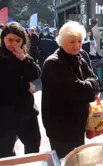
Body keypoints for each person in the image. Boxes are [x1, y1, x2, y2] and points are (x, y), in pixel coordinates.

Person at [41, 21, 99, 158]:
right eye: (72, 42)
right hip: (60, 127)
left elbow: (96, 82)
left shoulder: (80, 56)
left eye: (79, 41)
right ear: (61, 42)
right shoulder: (53, 63)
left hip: (79, 124)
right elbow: (79, 90)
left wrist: (90, 85)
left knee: (79, 158)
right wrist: (91, 85)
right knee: (65, 160)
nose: (77, 45)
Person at [0, 22, 41, 157]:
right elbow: (5, 84)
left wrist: (23, 59)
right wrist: (26, 86)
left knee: (33, 145)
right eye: (10, 40)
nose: (14, 44)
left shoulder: (24, 56)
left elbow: (36, 74)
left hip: (27, 111)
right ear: (3, 39)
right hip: (5, 114)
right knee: (5, 151)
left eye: (18, 41)